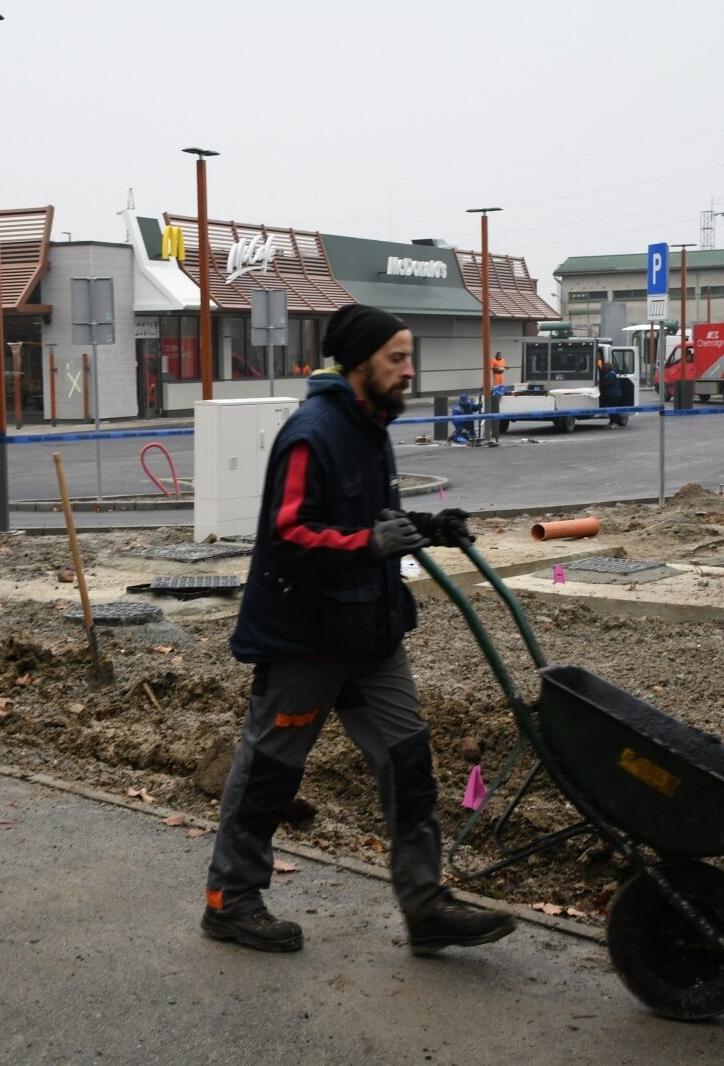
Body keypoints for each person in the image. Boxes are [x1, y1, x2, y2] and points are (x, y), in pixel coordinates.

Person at [203, 303, 516, 956]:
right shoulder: (310, 432)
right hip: (306, 636)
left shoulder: (373, 426)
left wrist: (425, 528)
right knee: (270, 771)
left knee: (408, 762)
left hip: (370, 632)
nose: (409, 370)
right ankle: (229, 901)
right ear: (361, 362)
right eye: (396, 358)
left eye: (410, 357)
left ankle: (425, 903)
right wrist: (364, 543)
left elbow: (370, 517)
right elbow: (288, 530)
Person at [597, 357, 624, 425]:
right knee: (611, 409)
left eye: (605, 367)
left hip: (613, 394)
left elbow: (609, 383)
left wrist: (601, 385)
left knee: (613, 409)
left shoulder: (611, 374)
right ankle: (612, 422)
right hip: (612, 393)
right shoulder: (611, 373)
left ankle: (615, 423)